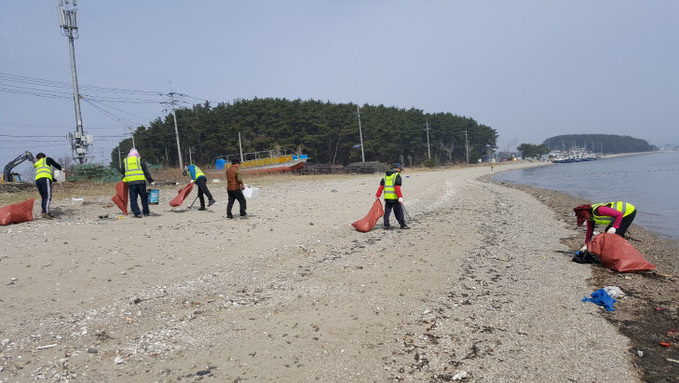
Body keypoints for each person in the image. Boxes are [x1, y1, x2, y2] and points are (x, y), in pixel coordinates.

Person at [375, 162, 409, 229]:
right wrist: (400, 197)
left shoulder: (386, 176)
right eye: (400, 170)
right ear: (398, 169)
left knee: (387, 212)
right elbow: (397, 188)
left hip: (387, 198)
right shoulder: (397, 175)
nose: (401, 171)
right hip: (394, 198)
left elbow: (381, 186)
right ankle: (402, 225)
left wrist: (378, 195)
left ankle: (386, 225)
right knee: (399, 212)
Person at [122, 148, 155, 218]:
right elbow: (146, 172)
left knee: (133, 198)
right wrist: (151, 181)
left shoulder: (126, 161)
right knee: (144, 197)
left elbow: (122, 171)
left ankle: (137, 213)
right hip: (141, 182)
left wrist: (126, 177)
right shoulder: (139, 160)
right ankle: (146, 212)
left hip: (131, 182)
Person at [32, 152, 63, 219]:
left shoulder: (37, 164)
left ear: (37, 158)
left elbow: (44, 172)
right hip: (45, 179)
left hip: (38, 180)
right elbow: (56, 165)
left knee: (44, 197)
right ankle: (47, 213)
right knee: (48, 197)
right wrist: (61, 169)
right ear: (44, 157)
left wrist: (55, 180)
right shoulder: (47, 159)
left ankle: (44, 212)